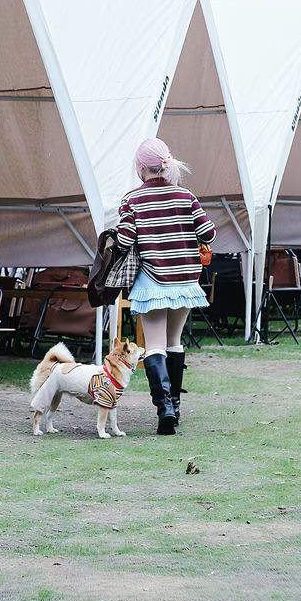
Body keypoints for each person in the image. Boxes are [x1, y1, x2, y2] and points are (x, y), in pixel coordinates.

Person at [117, 138, 216, 435]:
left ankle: (165, 411)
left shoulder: (132, 200)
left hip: (153, 280)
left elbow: (123, 241)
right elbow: (208, 233)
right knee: (175, 342)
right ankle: (175, 405)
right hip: (185, 280)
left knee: (155, 345)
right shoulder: (186, 196)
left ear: (140, 167)